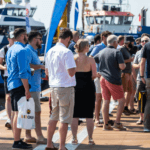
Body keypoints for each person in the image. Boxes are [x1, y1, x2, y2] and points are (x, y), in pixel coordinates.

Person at [45, 28, 76, 150]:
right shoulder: (67, 52)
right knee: (64, 118)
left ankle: (49, 144)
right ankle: (62, 146)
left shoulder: (50, 51)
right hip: (65, 87)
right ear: (68, 38)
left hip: (53, 87)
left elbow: (46, 71)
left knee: (53, 116)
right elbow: (71, 72)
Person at [6, 28, 32, 149]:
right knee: (18, 113)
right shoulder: (22, 50)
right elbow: (22, 73)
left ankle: (17, 139)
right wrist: (27, 89)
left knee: (15, 113)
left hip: (11, 84)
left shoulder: (10, 49)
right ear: (22, 36)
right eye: (26, 35)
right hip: (19, 84)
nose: (27, 37)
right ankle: (17, 141)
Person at [94, 35, 126, 130]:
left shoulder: (101, 51)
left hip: (103, 78)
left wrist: (95, 72)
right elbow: (122, 67)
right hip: (113, 79)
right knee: (121, 100)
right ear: (115, 42)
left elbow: (92, 59)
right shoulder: (117, 52)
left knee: (106, 100)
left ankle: (106, 124)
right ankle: (117, 122)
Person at [71, 39, 97, 145]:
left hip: (76, 87)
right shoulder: (91, 60)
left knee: (74, 114)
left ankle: (74, 138)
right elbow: (94, 75)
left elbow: (70, 74)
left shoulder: (73, 58)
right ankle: (90, 139)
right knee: (89, 115)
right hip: (88, 87)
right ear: (86, 47)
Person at [24, 31, 46, 144]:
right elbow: (26, 65)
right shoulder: (28, 50)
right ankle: (39, 136)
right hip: (32, 87)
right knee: (36, 112)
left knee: (30, 112)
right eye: (40, 39)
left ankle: (28, 135)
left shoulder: (33, 51)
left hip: (34, 86)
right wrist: (42, 66)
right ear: (34, 39)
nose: (41, 41)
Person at [89, 31, 112, 126]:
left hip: (108, 76)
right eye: (108, 37)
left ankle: (105, 117)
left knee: (106, 98)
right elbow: (90, 58)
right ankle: (97, 118)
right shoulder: (98, 47)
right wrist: (95, 72)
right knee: (98, 97)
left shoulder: (110, 47)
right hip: (99, 76)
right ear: (103, 37)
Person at [0, 31, 15, 129]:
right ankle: (9, 119)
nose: (13, 40)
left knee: (17, 98)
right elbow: (0, 64)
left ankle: (16, 118)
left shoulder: (21, 49)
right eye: (12, 38)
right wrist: (5, 68)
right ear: (8, 39)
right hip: (7, 76)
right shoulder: (4, 50)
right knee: (8, 97)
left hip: (18, 76)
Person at [133, 36, 149, 125]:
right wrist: (139, 65)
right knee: (140, 99)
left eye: (146, 41)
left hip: (148, 78)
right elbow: (133, 65)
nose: (144, 42)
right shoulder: (138, 53)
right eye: (142, 41)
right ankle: (141, 118)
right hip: (140, 78)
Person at [120, 36, 135, 116]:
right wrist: (129, 60)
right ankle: (123, 108)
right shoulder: (121, 49)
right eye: (132, 42)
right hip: (124, 73)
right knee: (125, 91)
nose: (133, 43)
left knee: (130, 91)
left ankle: (126, 107)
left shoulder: (127, 49)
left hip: (128, 73)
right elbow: (120, 61)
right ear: (128, 42)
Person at [140, 36, 150, 132]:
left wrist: (142, 76)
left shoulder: (147, 46)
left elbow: (142, 62)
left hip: (149, 77)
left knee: (148, 102)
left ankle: (146, 126)